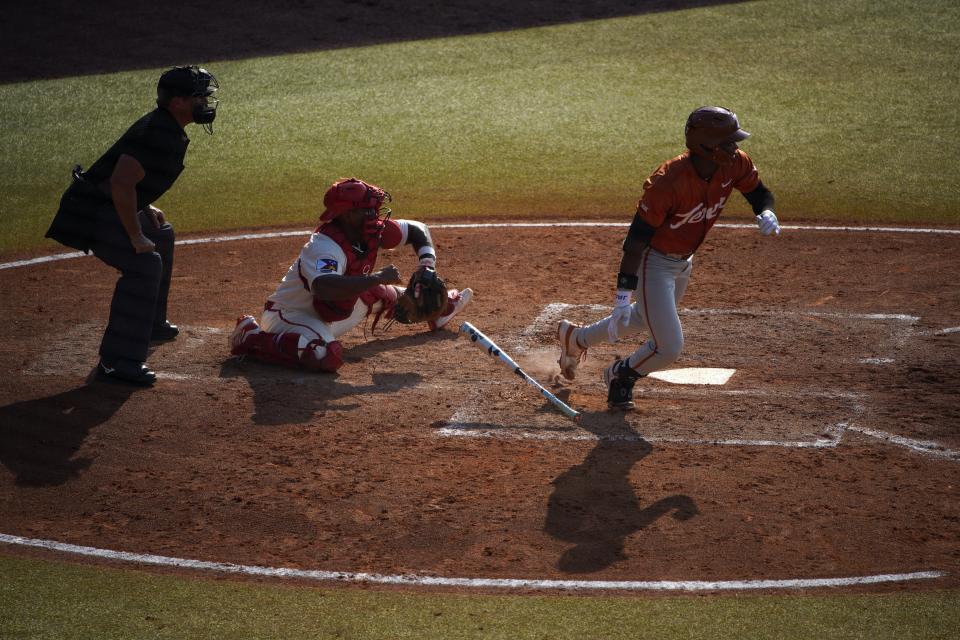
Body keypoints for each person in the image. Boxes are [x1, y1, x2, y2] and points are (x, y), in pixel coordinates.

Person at [556, 106, 781, 409]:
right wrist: (623, 292)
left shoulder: (734, 164)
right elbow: (636, 240)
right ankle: (620, 375)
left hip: (683, 262)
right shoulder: (668, 182)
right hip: (654, 264)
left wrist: (765, 210)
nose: (735, 147)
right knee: (668, 346)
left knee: (641, 318)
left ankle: (576, 338)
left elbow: (758, 193)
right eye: (728, 142)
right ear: (707, 145)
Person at [45, 65, 220, 386]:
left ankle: (151, 322)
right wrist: (135, 235)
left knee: (162, 235)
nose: (205, 103)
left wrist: (145, 207)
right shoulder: (156, 133)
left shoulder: (168, 126)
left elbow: (129, 181)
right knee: (144, 263)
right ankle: (117, 360)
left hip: (105, 203)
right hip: (90, 212)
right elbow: (121, 183)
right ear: (178, 102)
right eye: (198, 97)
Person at [229, 177, 473, 372]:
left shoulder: (368, 230)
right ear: (348, 214)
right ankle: (251, 338)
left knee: (370, 291)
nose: (375, 214)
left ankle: (439, 313)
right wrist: (376, 277)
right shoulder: (324, 246)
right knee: (325, 355)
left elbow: (418, 230)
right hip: (291, 316)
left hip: (333, 313)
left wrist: (427, 265)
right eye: (369, 209)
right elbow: (324, 287)